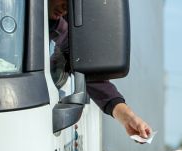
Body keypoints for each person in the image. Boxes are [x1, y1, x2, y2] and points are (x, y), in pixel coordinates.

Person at [48, 0, 152, 141]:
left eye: (73, 3)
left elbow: (88, 72)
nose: (67, 8)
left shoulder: (62, 30)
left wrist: (128, 117)